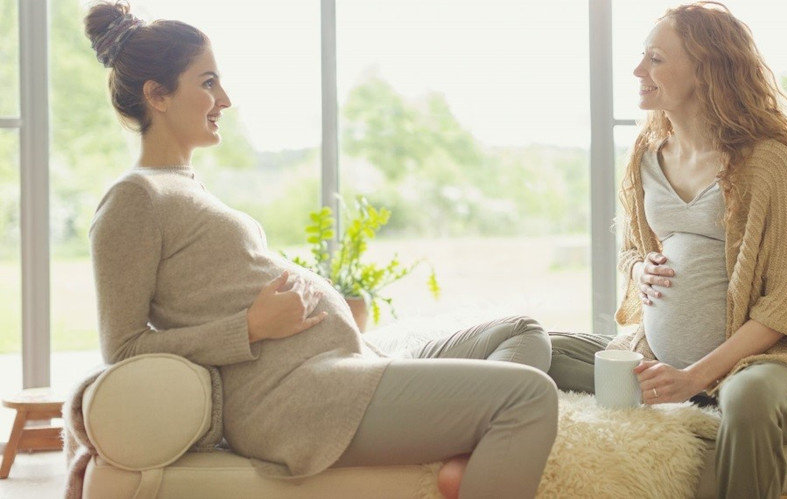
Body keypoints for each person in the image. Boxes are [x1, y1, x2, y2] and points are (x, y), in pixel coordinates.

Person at [83, 3, 558, 498]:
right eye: (207, 83)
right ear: (157, 96)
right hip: (298, 400)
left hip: (350, 365)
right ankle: (472, 434)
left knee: (522, 332)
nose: (224, 98)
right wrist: (248, 328)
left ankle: (466, 439)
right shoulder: (133, 200)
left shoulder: (184, 185)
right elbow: (123, 347)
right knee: (529, 396)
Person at [546, 2, 787, 498]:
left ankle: (706, 392)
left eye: (656, 59)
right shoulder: (645, 158)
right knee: (537, 346)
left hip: (763, 367)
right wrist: (640, 268)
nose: (638, 71)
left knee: (747, 400)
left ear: (706, 69)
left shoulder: (765, 162)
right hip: (658, 359)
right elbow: (632, 250)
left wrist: (693, 378)